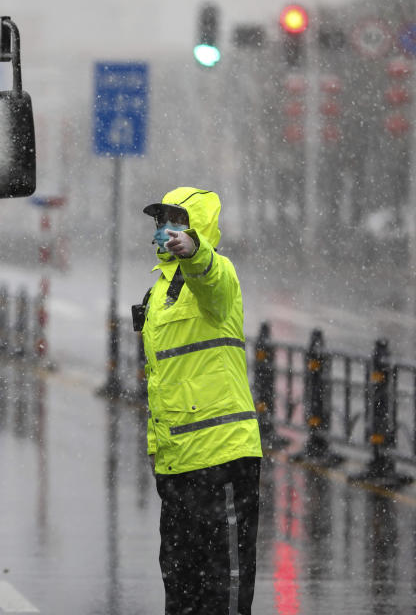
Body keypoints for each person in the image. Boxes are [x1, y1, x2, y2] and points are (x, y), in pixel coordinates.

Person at [136, 187, 263, 615]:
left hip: (221, 460)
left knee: (223, 593)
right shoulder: (159, 290)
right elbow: (162, 381)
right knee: (181, 588)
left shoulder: (215, 272)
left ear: (198, 228)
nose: (165, 230)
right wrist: (158, 455)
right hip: (178, 468)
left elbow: (212, 280)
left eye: (176, 220)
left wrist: (195, 252)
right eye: (160, 221)